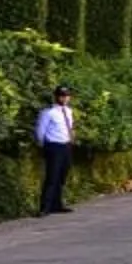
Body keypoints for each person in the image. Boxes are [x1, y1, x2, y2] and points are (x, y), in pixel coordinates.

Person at [36, 85, 75, 216]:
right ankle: (45, 206)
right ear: (56, 97)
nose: (64, 98)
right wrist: (44, 145)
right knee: (52, 176)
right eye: (62, 96)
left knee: (62, 176)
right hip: (54, 145)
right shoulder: (49, 113)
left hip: (66, 145)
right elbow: (40, 131)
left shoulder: (69, 111)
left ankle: (57, 204)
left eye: (67, 96)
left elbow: (69, 126)